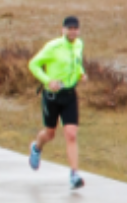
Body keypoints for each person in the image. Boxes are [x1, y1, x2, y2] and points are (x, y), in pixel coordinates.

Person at [28, 16, 85, 190]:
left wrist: (81, 73)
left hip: (69, 94)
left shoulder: (79, 45)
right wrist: (47, 81)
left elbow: (77, 64)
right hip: (52, 96)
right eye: (70, 28)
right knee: (50, 133)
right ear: (63, 30)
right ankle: (37, 147)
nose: (73, 31)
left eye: (76, 28)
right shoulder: (53, 47)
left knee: (71, 133)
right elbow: (34, 64)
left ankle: (74, 174)